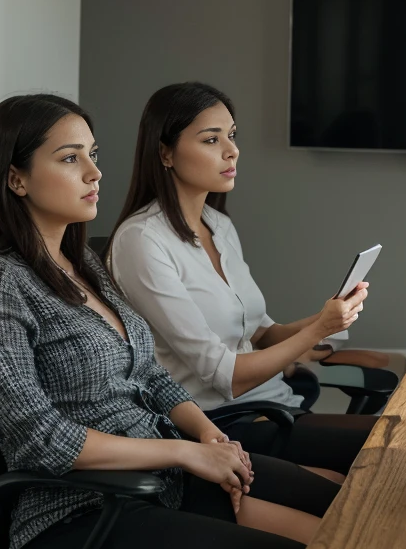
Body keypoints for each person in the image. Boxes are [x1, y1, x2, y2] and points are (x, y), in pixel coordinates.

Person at [0, 94, 337, 549]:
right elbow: (40, 438)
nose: (93, 171)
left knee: (345, 525)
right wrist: (184, 451)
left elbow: (150, 375)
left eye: (94, 153)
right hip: (79, 516)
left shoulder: (81, 263)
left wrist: (209, 438)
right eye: (69, 158)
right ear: (15, 179)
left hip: (160, 481)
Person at [110, 82, 380, 480]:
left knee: (395, 444)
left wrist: (328, 319)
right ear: (165, 153)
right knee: (392, 446)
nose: (231, 150)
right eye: (211, 139)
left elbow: (262, 331)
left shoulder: (219, 226)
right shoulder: (142, 241)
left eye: (232, 136)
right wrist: (319, 328)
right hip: (225, 425)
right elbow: (225, 376)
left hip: (277, 404)